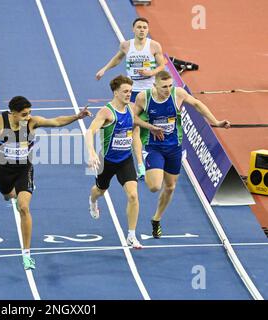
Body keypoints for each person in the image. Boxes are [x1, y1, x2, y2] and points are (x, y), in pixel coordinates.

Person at [0, 96, 91, 270]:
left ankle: (27, 254)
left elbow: (56, 122)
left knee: (24, 207)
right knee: (7, 196)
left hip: (24, 169)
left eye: (29, 113)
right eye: (24, 114)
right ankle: (13, 195)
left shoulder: (32, 123)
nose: (28, 117)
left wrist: (76, 116)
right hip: (4, 171)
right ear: (12, 113)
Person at [133, 71, 231, 238]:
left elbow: (197, 104)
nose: (168, 89)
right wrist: (150, 127)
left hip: (174, 148)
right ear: (155, 85)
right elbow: (132, 118)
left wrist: (216, 122)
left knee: (170, 187)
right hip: (153, 147)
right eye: (164, 86)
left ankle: (156, 219)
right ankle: (150, 169)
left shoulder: (177, 94)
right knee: (155, 186)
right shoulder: (144, 97)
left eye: (170, 85)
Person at [86, 75, 164, 249]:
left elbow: (136, 123)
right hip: (106, 161)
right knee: (100, 190)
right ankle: (92, 201)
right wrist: (91, 153)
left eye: (130, 91)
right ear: (115, 93)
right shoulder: (106, 112)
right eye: (125, 91)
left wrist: (152, 128)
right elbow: (89, 132)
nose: (129, 94)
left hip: (124, 160)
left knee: (133, 195)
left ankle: (131, 235)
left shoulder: (131, 108)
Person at [96, 17, 165, 180]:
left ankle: (162, 155)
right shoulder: (126, 45)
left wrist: (152, 73)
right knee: (134, 127)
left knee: (158, 124)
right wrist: (104, 69)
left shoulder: (154, 46)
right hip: (133, 94)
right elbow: (118, 58)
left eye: (145, 27)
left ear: (148, 30)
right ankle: (140, 166)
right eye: (139, 27)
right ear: (133, 29)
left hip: (150, 93)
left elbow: (162, 65)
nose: (142, 30)